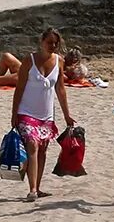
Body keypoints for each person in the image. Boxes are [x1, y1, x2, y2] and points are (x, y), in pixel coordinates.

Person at [8, 27, 76, 202]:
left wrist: (67, 115)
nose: (52, 46)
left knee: (43, 151)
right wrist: (14, 113)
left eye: (55, 43)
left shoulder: (59, 61)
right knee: (32, 145)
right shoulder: (29, 60)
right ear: (42, 42)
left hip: (46, 115)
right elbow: (19, 88)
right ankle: (32, 189)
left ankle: (37, 188)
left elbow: (60, 90)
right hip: (26, 111)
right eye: (49, 42)